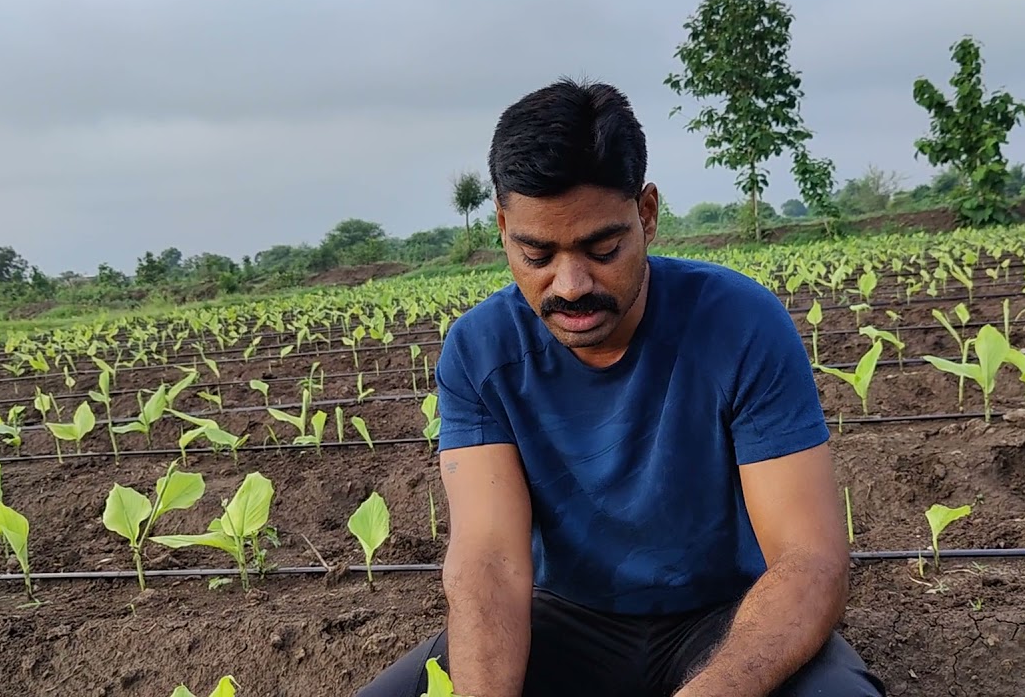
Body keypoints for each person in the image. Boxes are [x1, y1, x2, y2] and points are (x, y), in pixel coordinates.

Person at [358, 77, 884, 697]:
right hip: (561, 622)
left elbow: (808, 560)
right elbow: (490, 563)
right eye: (537, 254)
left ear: (647, 214)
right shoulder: (480, 351)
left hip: (726, 617)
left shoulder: (740, 325)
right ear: (502, 226)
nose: (572, 283)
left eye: (602, 247)